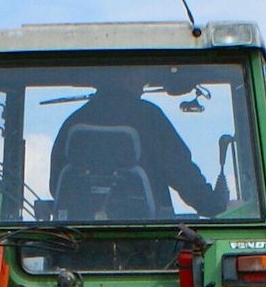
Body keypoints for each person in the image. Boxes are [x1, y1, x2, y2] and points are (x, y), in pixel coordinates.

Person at [49, 66, 229, 218]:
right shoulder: (149, 118)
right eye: (141, 77)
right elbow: (181, 171)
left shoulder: (74, 121)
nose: (143, 87)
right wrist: (212, 206)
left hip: (77, 242)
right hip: (152, 245)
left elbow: (56, 185)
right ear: (128, 77)